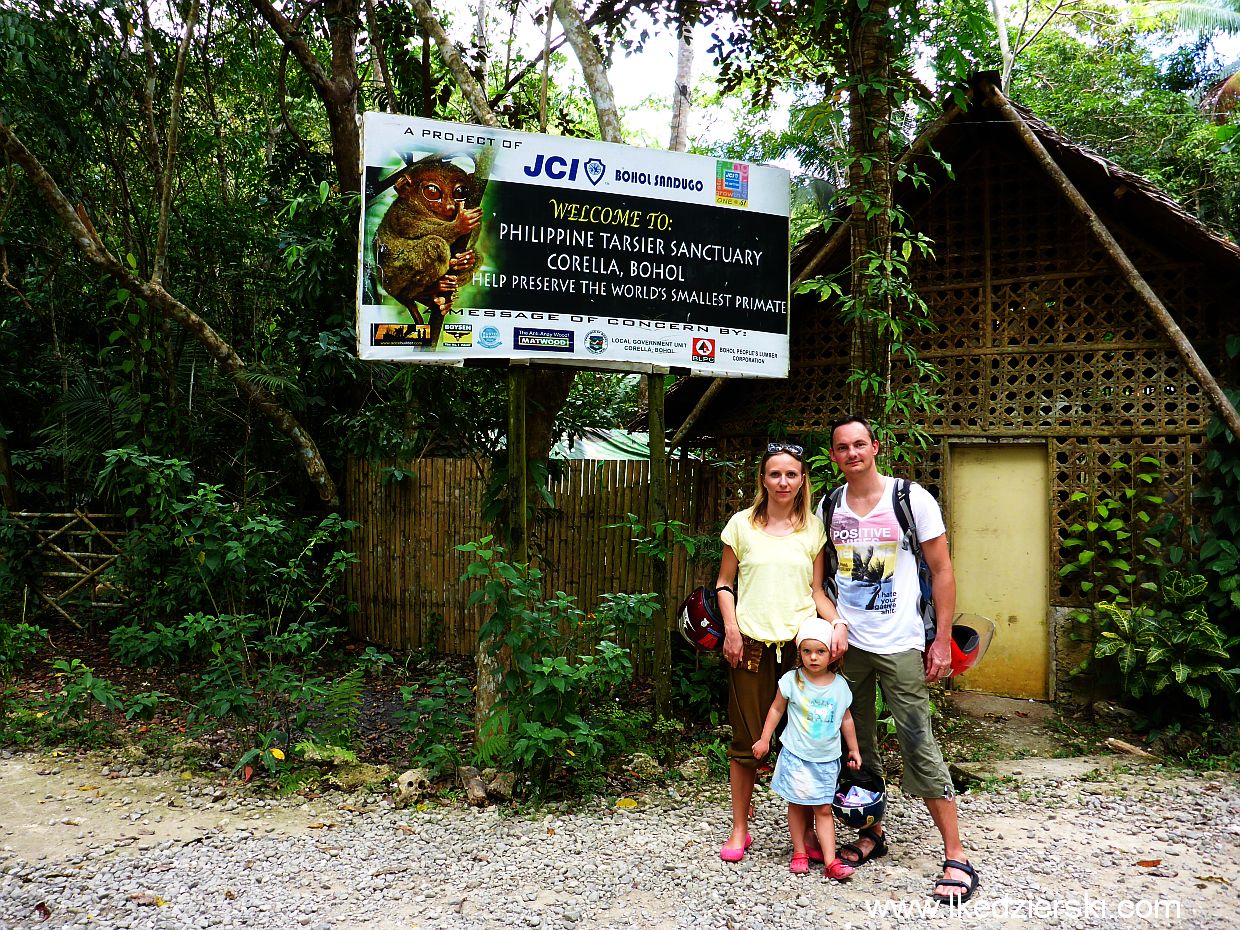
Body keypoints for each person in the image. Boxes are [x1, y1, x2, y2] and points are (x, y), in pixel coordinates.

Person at [820, 415, 980, 905]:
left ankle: (957, 854)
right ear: (834, 456)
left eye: (860, 444)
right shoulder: (829, 505)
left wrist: (941, 639)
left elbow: (942, 568)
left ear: (876, 447)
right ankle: (873, 833)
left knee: (917, 739)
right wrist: (833, 627)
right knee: (856, 744)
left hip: (902, 641)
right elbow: (820, 577)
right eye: (842, 447)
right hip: (850, 646)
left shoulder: (910, 499)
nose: (852, 453)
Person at [714, 442, 841, 862]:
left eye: (791, 474)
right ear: (762, 479)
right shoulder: (740, 526)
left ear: (803, 478)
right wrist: (730, 629)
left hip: (800, 650)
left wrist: (837, 624)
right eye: (775, 474)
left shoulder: (813, 530)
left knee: (804, 740)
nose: (783, 481)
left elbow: (816, 591)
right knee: (748, 738)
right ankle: (739, 828)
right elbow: (724, 584)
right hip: (748, 645)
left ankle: (803, 835)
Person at [752, 617, 861, 880]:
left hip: (826, 759)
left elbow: (846, 719)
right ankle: (799, 851)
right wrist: (765, 739)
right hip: (796, 755)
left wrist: (854, 750)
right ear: (799, 652)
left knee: (823, 809)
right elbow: (777, 709)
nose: (813, 657)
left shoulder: (839, 686)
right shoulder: (792, 680)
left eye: (820, 651)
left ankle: (831, 861)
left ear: (831, 654)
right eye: (807, 651)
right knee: (797, 804)